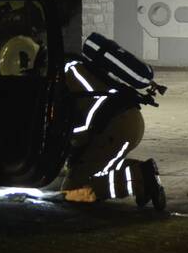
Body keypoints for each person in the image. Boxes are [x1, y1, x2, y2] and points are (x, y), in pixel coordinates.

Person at [60, 52, 165, 209]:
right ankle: (143, 172)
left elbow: (84, 122)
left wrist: (71, 146)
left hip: (115, 128)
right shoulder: (73, 68)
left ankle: (140, 181)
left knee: (73, 191)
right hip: (126, 122)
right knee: (88, 166)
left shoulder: (64, 82)